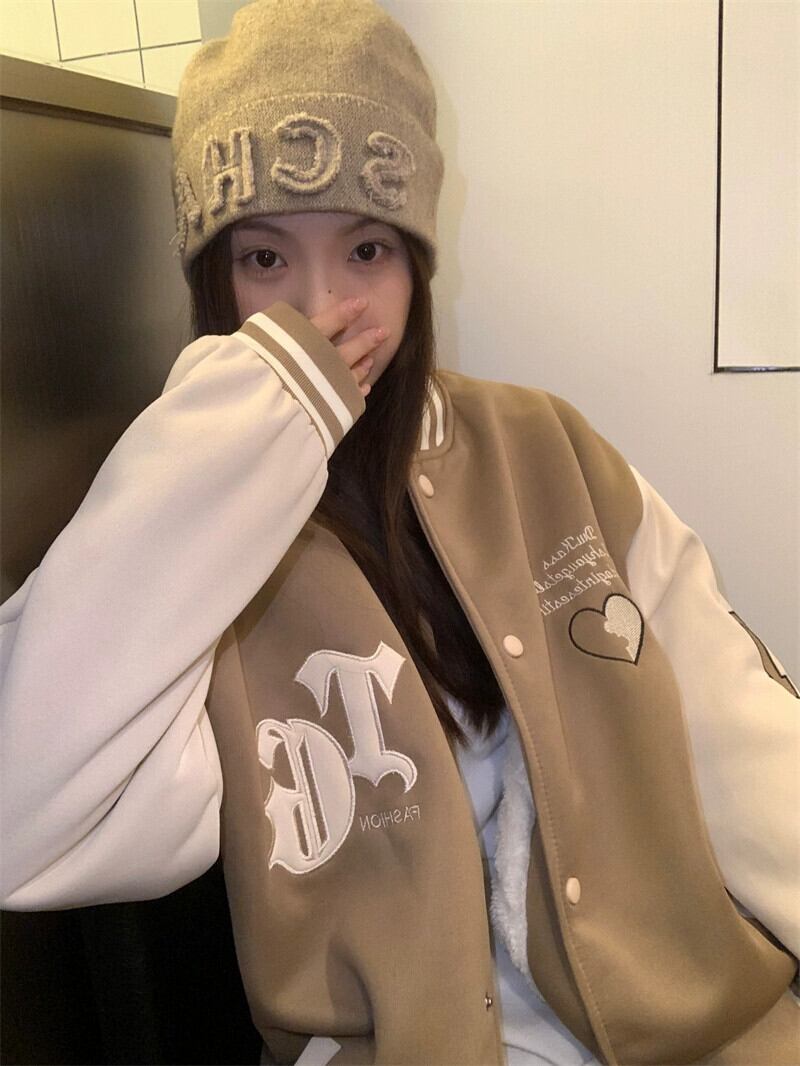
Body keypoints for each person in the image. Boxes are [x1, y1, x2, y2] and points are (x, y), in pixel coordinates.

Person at [1, 1, 798, 1064]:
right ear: (212, 283)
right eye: (265, 260)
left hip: (685, 1017)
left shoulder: (545, 447)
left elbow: (741, 733)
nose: (323, 310)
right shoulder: (196, 552)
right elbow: (22, 823)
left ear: (417, 266)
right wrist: (237, 433)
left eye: (366, 248)